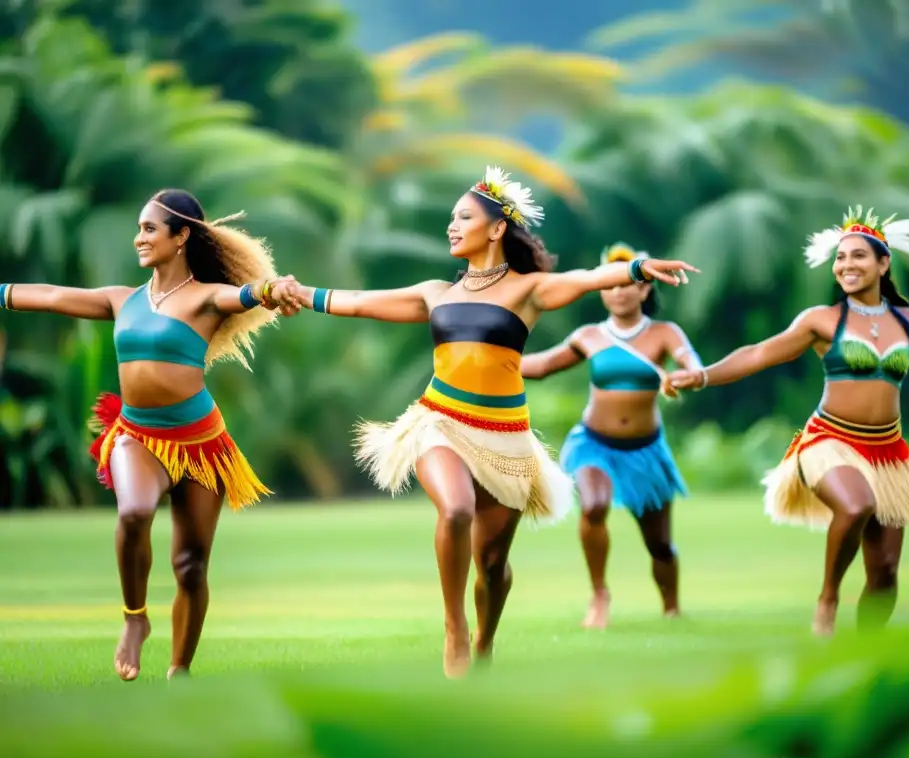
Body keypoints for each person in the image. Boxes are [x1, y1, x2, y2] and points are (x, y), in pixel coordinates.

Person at [272, 167, 699, 677]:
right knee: (454, 510)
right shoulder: (436, 292)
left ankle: (484, 641)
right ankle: (454, 629)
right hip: (439, 421)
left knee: (492, 565)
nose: (452, 226)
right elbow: (360, 303)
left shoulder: (528, 289)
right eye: (451, 218)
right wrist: (299, 293)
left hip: (505, 439)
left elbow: (584, 280)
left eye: (464, 217)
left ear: (497, 228)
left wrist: (637, 269)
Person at [668, 206, 909, 636]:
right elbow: (761, 352)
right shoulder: (821, 320)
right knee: (856, 505)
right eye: (840, 257)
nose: (846, 265)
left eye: (857, 256)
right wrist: (703, 375)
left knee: (886, 572)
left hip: (889, 454)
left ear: (883, 263)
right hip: (829, 442)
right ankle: (828, 598)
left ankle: (865, 648)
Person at [0, 189, 300, 681]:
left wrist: (273, 290)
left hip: (203, 443)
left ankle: (179, 671)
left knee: (191, 566)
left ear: (181, 236)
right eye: (139, 228)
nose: (138, 238)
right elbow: (52, 296)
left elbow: (245, 295)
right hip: (137, 434)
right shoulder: (124, 300)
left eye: (149, 229)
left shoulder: (206, 297)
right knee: (135, 511)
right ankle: (134, 619)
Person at [519, 242, 701, 629]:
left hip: (645, 451)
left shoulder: (664, 333)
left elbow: (690, 361)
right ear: (602, 290)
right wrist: (490, 359)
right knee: (594, 506)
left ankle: (671, 608)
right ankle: (599, 594)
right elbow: (541, 366)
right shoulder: (588, 335)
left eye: (626, 285)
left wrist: (687, 374)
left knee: (660, 545)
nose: (618, 291)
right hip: (593, 443)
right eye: (610, 285)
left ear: (644, 288)